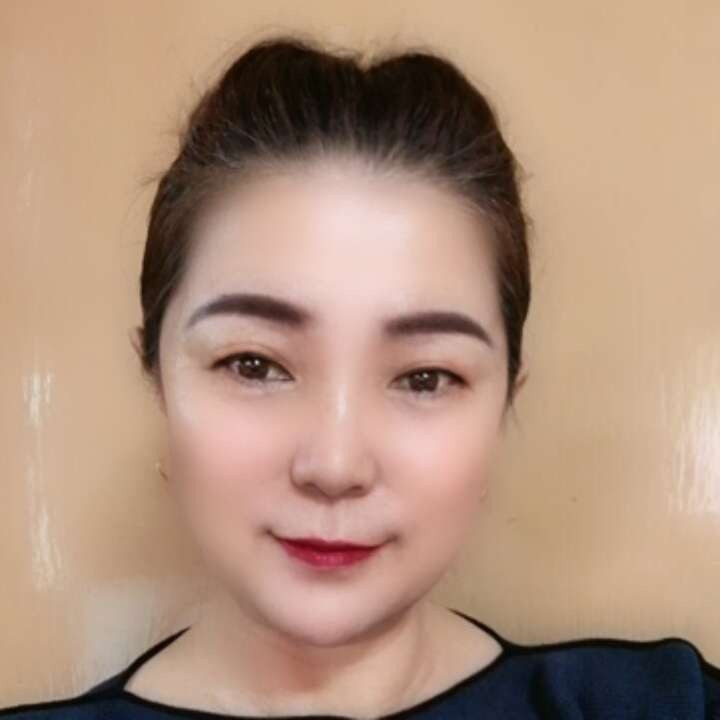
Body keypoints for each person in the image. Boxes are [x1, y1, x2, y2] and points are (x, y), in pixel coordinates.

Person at [2, 32, 719, 720]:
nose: (335, 466)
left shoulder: (665, 706)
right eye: (254, 364)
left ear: (506, 398)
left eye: (426, 378)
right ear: (157, 377)